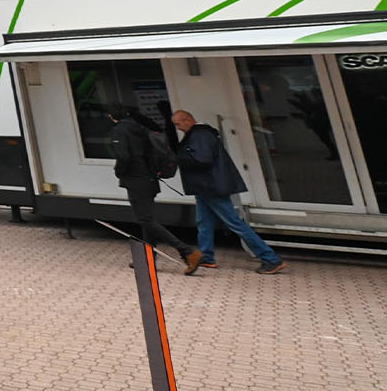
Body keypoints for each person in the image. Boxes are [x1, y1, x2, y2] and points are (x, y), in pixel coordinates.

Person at [172, 110, 287, 275]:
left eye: (178, 124)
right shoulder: (202, 133)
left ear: (187, 120)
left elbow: (202, 159)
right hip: (207, 186)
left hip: (210, 186)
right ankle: (206, 257)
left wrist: (178, 158)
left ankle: (271, 259)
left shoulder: (199, 135)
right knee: (204, 222)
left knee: (234, 223)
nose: (178, 128)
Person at [106, 105, 202, 274]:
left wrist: (119, 172)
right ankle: (147, 259)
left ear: (111, 116)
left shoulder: (119, 131)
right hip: (150, 179)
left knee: (145, 220)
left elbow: (123, 157)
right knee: (147, 219)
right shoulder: (141, 128)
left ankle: (187, 251)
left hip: (136, 180)